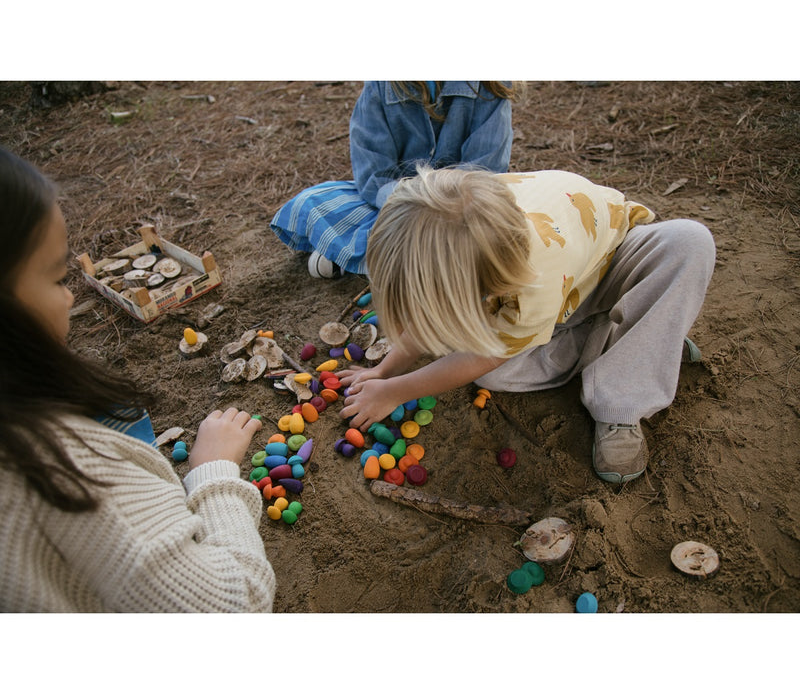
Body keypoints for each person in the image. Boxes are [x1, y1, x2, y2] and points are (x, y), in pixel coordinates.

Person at [0, 146, 276, 612]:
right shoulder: (74, 475)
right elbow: (236, 607)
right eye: (53, 278)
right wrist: (213, 474)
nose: (69, 299)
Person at [338, 165, 716, 485]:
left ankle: (623, 393)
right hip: (553, 297)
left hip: (612, 269)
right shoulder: (464, 213)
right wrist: (386, 371)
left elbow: (475, 354)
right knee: (491, 372)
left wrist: (396, 391)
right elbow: (431, 305)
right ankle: (640, 341)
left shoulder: (529, 283)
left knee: (688, 242)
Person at [270, 81, 519, 277]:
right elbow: (373, 175)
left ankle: (365, 256)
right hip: (397, 205)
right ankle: (408, 258)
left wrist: (439, 204)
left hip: (461, 210)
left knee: (487, 232)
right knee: (311, 202)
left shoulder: (489, 85)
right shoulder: (381, 85)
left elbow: (486, 172)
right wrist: (414, 203)